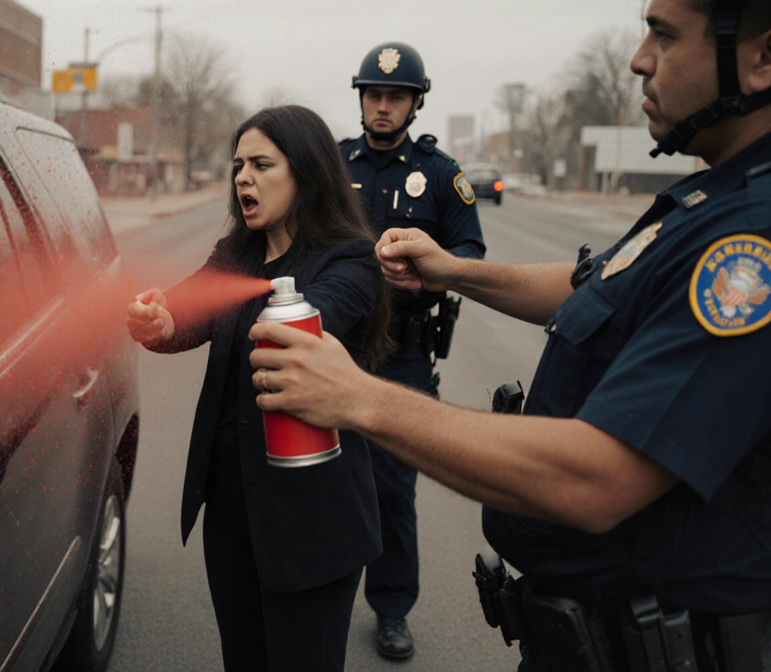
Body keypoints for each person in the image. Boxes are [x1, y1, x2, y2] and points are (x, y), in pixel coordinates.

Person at [251, 1, 771, 669]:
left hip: (661, 642)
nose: (639, 59)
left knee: (389, 496)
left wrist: (361, 400)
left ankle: (392, 607)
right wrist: (454, 270)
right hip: (595, 634)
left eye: (664, 35)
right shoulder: (707, 205)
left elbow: (597, 479)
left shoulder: (751, 244)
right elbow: (597, 287)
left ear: (761, 60)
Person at [125, 105, 393, 671]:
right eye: (238, 164)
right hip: (230, 514)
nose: (242, 176)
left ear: (306, 172)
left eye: (261, 164)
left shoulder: (349, 259)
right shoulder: (236, 255)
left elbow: (307, 325)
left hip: (311, 527)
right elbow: (189, 309)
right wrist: (162, 320)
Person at [339, 40, 487, 659]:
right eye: (373, 94)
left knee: (393, 489)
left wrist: (433, 274)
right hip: (335, 345)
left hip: (402, 353)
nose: (381, 106)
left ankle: (392, 608)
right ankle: (316, 590)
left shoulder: (441, 172)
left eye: (394, 96)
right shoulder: (331, 165)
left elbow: (471, 254)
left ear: (414, 103)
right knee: (321, 478)